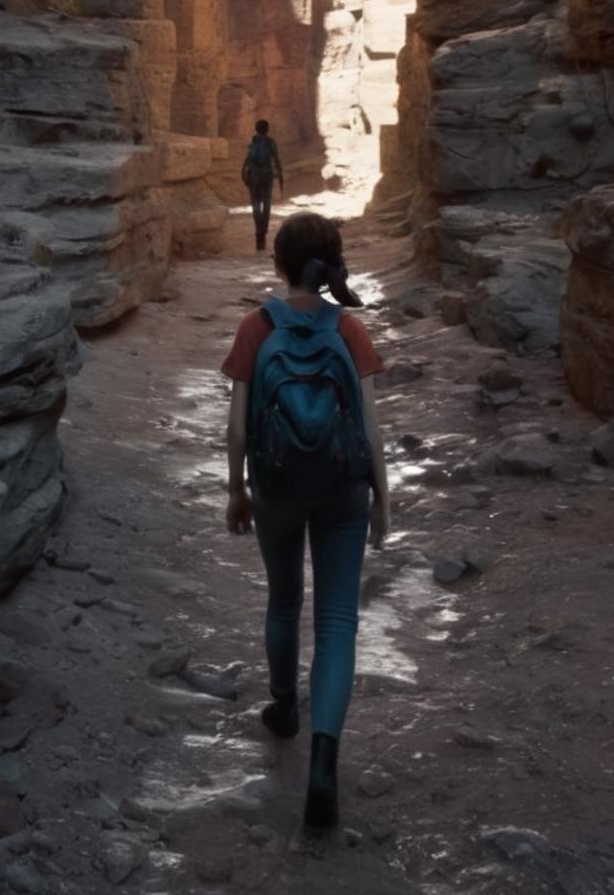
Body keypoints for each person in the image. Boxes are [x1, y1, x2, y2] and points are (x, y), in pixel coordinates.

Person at [221, 212, 391, 828]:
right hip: (344, 488)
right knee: (339, 620)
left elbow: (239, 428)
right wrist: (383, 499)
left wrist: (237, 491)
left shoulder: (254, 326)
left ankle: (283, 708)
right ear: (331, 265)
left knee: (284, 601)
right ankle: (324, 762)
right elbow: (371, 427)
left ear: (279, 265)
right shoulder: (349, 329)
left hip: (276, 485)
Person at [241, 119, 283, 252]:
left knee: (255, 205)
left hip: (254, 177)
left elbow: (247, 161)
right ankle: (263, 233)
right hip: (267, 176)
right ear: (267, 129)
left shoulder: (253, 142)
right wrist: (280, 176)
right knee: (266, 204)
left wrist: (246, 176)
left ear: (256, 129)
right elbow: (276, 159)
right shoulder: (270, 142)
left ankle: (258, 233)